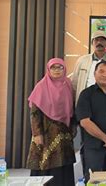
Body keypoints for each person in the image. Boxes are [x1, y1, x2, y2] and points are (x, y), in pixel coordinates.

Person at [26, 58, 76, 186]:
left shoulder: (68, 84)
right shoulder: (41, 86)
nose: (57, 70)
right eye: (54, 67)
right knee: (46, 162)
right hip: (46, 132)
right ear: (48, 69)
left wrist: (73, 128)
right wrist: (37, 133)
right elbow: (34, 112)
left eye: (60, 67)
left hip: (64, 132)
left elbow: (72, 108)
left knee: (63, 163)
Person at [71, 30, 106, 103]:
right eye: (96, 40)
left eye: (102, 40)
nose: (99, 42)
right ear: (92, 43)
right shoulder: (82, 61)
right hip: (85, 100)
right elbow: (74, 84)